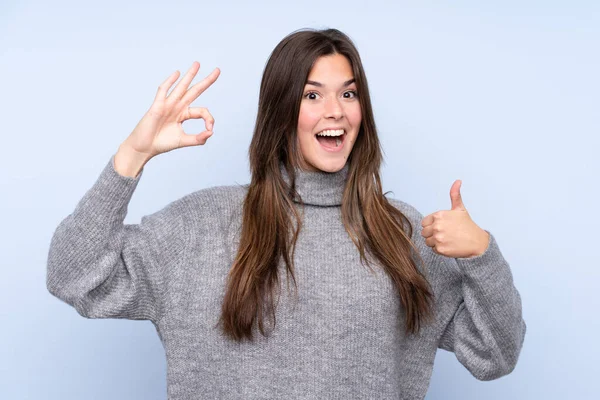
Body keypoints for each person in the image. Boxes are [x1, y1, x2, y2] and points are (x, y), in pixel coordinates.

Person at [46, 28, 526, 399]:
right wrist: (132, 156)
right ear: (281, 110)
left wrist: (482, 255)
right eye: (312, 95)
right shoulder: (201, 225)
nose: (335, 111)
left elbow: (495, 356)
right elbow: (73, 275)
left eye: (349, 93)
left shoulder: (402, 234)